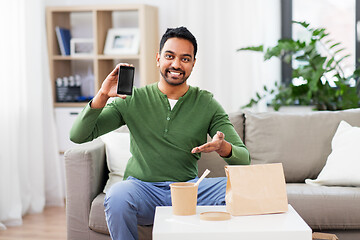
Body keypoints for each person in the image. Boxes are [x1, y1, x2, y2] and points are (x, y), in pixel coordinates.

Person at [70, 26, 250, 240]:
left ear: (193, 63)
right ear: (158, 59)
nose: (176, 64)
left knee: (242, 187)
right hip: (141, 190)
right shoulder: (131, 99)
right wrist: (102, 95)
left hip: (188, 190)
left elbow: (244, 160)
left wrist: (224, 147)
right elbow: (78, 136)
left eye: (185, 59)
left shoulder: (207, 103)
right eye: (169, 56)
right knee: (118, 196)